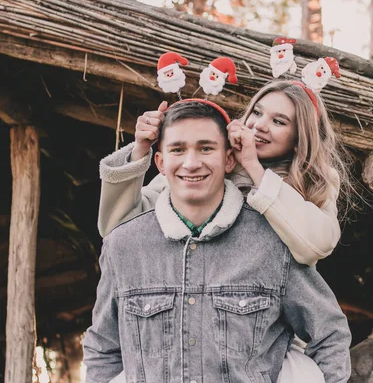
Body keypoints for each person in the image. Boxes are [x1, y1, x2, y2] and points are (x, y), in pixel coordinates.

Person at [83, 100, 352, 383]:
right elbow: (103, 349)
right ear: (160, 162)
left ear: (229, 159)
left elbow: (329, 333)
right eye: (177, 149)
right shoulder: (124, 244)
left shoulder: (273, 241)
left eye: (206, 148)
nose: (191, 163)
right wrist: (139, 148)